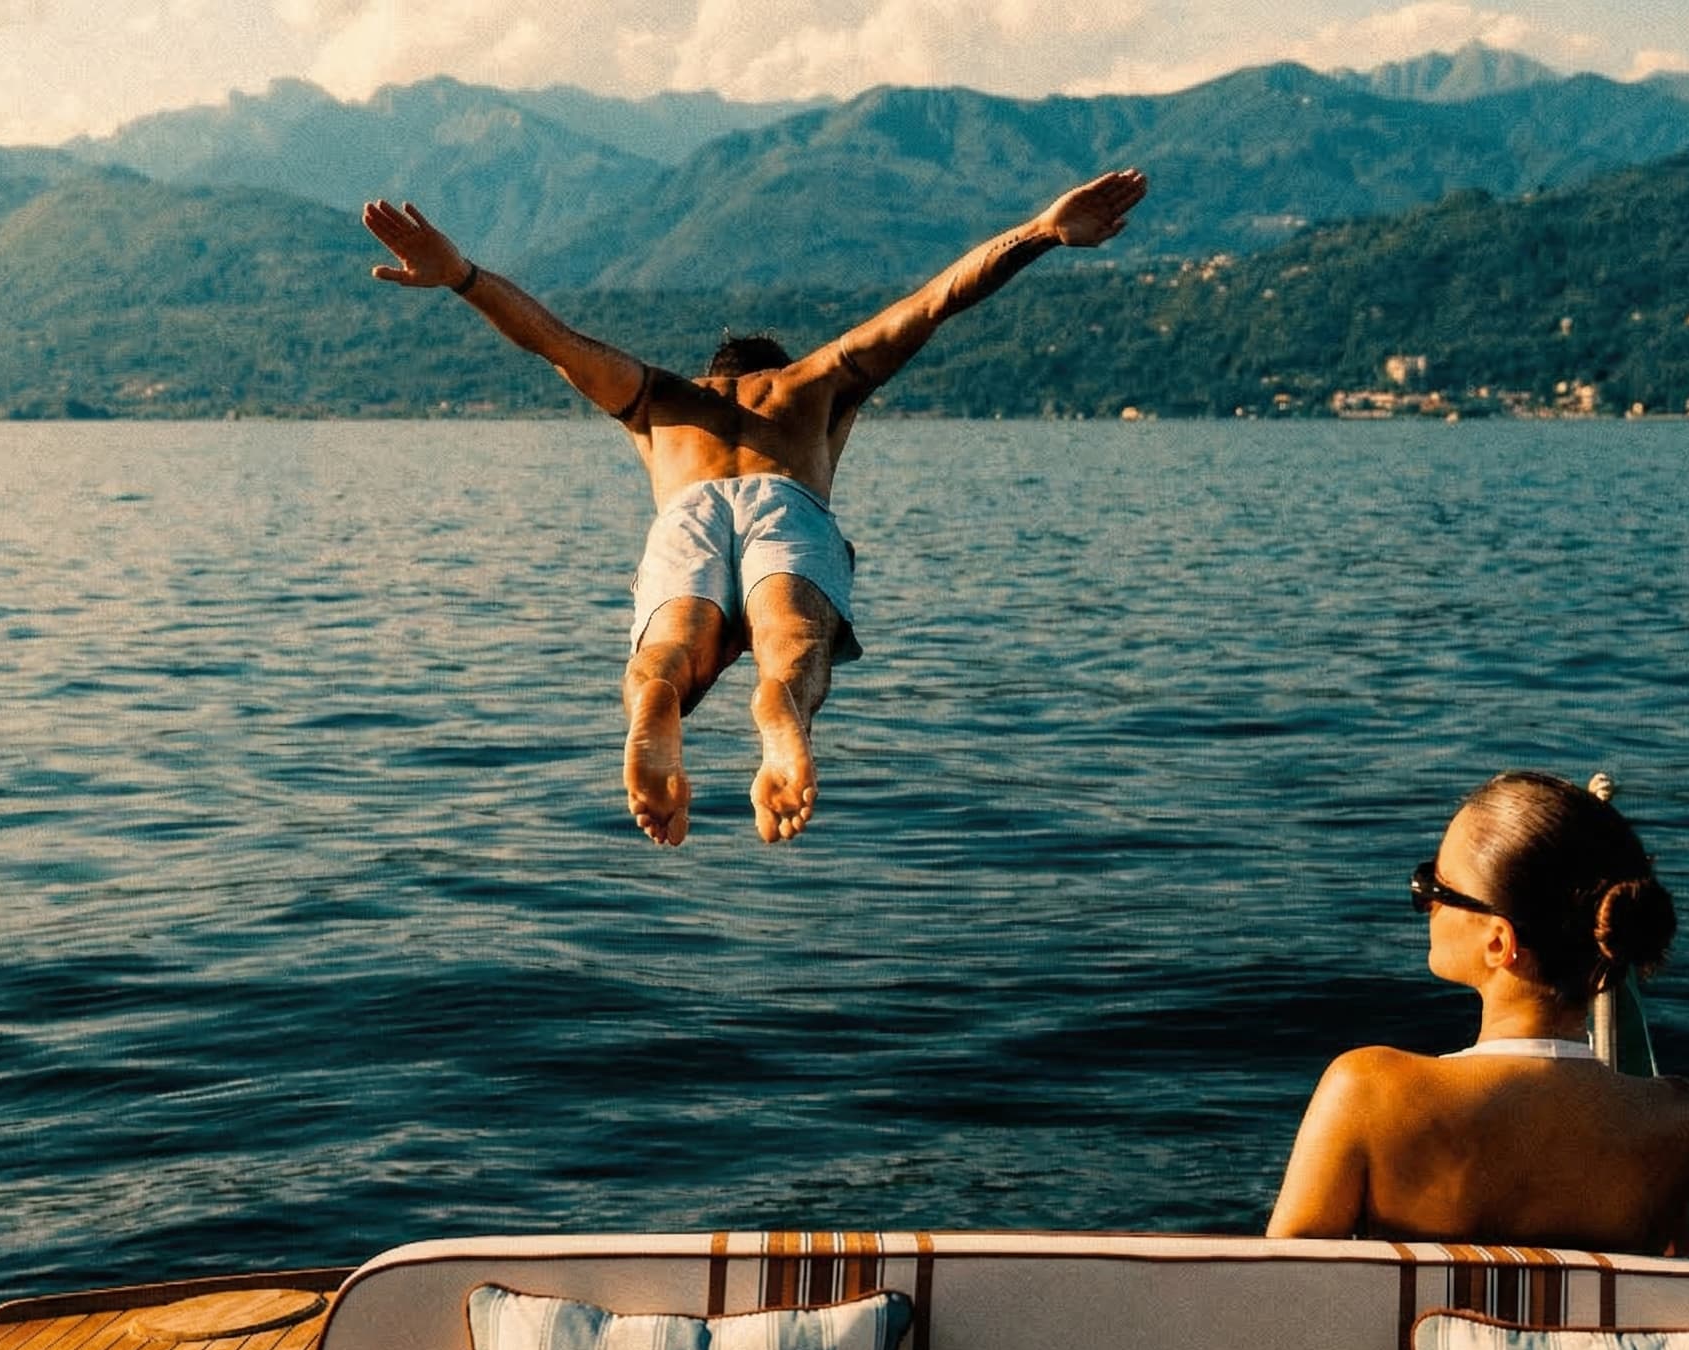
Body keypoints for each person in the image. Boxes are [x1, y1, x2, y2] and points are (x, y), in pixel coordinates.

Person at [360, 169, 1150, 846]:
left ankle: (660, 701)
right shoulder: (815, 382)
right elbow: (933, 302)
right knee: (792, 643)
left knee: (669, 655)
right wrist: (1041, 231)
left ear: (714, 374)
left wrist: (462, 275)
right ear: (775, 369)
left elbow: (552, 340)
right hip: (786, 502)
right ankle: (783, 707)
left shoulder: (659, 399)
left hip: (688, 510)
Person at [1267, 772, 1689, 1253]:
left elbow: (1284, 1277)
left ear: (1499, 942)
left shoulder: (1367, 1092)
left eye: (1434, 888)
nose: (1425, 901)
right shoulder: (1678, 1119)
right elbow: (1671, 1274)